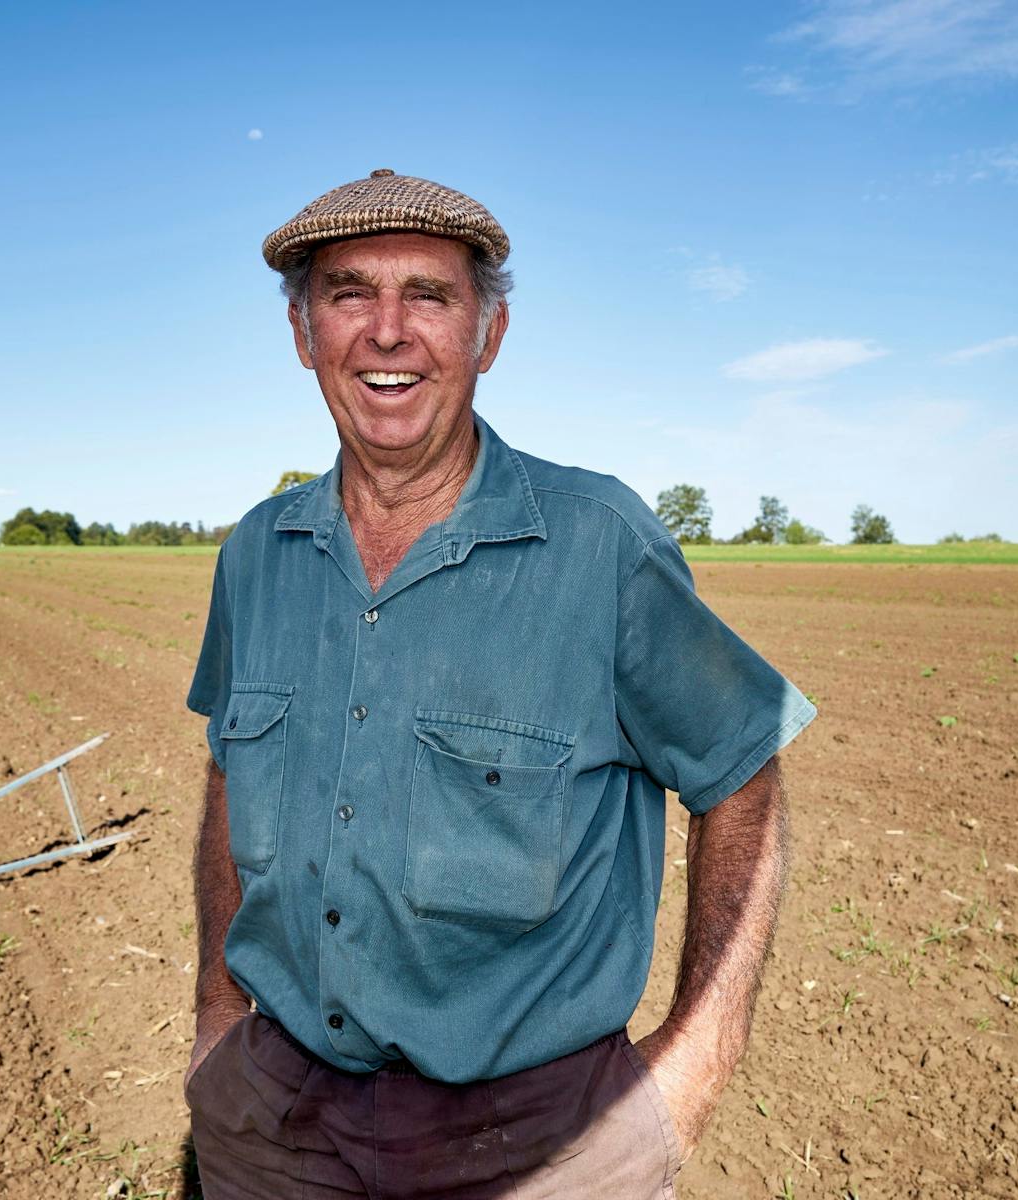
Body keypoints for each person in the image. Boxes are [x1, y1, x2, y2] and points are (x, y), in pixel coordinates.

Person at [183, 169, 815, 1199]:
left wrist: (701, 1054)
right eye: (349, 293)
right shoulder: (257, 553)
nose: (387, 332)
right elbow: (224, 776)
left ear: (489, 333)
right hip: (275, 1122)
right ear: (304, 334)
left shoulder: (599, 542)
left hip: (540, 1145)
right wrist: (217, 1018)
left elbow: (740, 773)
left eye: (427, 296)